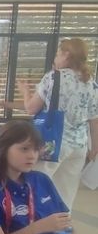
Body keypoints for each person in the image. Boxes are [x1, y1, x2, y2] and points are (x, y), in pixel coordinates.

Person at [19, 38, 98, 209]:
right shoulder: (91, 83)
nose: (55, 58)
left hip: (53, 142)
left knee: (37, 186)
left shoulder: (53, 77)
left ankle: (36, 221)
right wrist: (94, 148)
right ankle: (62, 224)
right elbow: (94, 119)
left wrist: (25, 91)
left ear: (66, 55)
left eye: (57, 54)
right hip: (79, 146)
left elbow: (31, 108)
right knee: (66, 194)